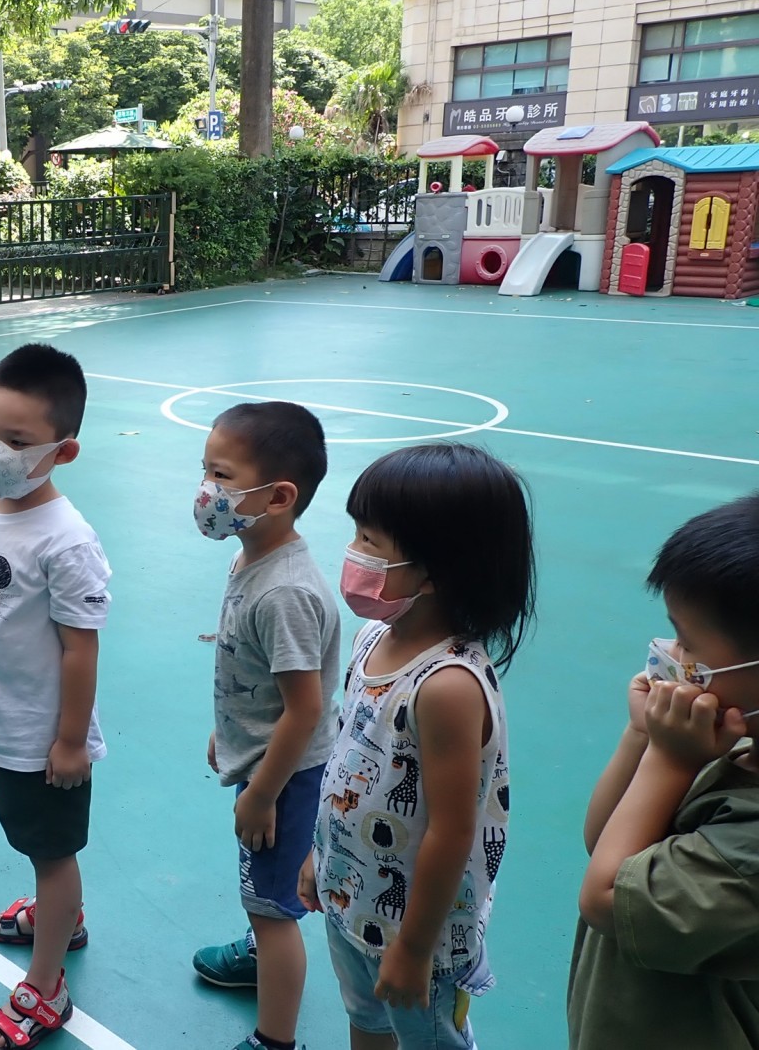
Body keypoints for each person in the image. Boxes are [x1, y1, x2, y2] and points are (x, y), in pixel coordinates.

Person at [298, 443, 535, 1050]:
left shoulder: (447, 686)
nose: (354, 551)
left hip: (418, 937)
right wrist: (321, 856)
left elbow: (452, 831)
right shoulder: (374, 636)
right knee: (367, 1021)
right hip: (353, 898)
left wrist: (413, 948)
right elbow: (351, 757)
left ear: (437, 571)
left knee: (427, 1038)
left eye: (370, 540)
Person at [0, 343, 112, 1050]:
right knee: (34, 840)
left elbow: (81, 648)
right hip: (0, 724)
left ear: (62, 452)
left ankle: (47, 987)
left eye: (16, 442)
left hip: (46, 738)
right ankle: (60, 919)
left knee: (52, 853)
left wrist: (70, 741)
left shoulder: (67, 541)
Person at [569, 492, 759, 1049]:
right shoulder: (725, 745)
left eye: (689, 641)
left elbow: (606, 897)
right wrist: (644, 737)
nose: (673, 655)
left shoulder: (746, 848)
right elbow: (605, 843)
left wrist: (668, 760)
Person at [189, 401, 341, 1050]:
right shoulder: (250, 556)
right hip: (266, 758)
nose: (206, 491)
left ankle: (274, 1040)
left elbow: (305, 709)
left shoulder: (284, 593)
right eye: (205, 471)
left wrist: (261, 794)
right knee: (265, 895)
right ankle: (258, 953)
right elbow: (259, 675)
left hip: (286, 778)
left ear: (279, 497)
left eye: (221, 477)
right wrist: (230, 728)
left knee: (274, 910)